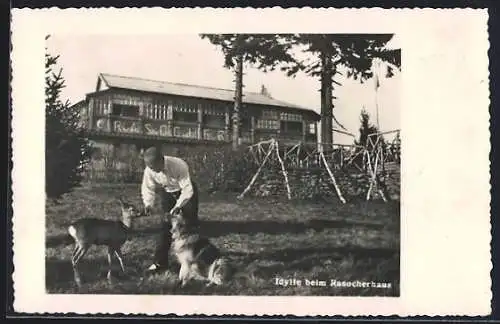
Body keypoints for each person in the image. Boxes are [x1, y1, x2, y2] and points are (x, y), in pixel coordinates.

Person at [141, 146, 199, 273]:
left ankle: (194, 260)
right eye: (150, 168)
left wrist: (178, 206)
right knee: (165, 226)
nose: (153, 170)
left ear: (161, 161)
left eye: (154, 167)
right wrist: (148, 204)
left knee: (189, 225)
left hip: (186, 192)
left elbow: (187, 190)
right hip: (168, 192)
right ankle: (160, 263)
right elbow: (148, 189)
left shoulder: (178, 165)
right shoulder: (149, 171)